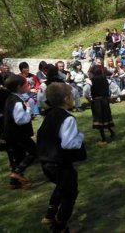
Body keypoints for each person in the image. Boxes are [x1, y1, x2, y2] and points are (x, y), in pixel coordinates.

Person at [37, 82, 86, 233]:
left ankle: (50, 214)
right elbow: (69, 143)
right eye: (72, 96)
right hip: (61, 163)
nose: (73, 98)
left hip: (47, 161)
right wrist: (80, 136)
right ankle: (60, 226)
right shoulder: (67, 118)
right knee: (70, 193)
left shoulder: (50, 114)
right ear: (66, 99)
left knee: (61, 186)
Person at [3, 75, 37, 189]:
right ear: (19, 87)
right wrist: (28, 109)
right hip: (19, 134)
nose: (28, 86)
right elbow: (20, 120)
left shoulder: (11, 97)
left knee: (19, 156)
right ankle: (17, 172)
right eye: (26, 84)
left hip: (12, 134)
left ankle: (14, 182)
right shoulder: (17, 101)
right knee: (34, 151)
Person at [90, 65, 115, 145]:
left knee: (100, 119)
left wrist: (89, 99)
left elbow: (86, 91)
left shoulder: (91, 80)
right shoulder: (105, 79)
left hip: (97, 101)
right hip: (105, 100)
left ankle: (103, 139)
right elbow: (114, 88)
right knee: (106, 117)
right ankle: (111, 132)